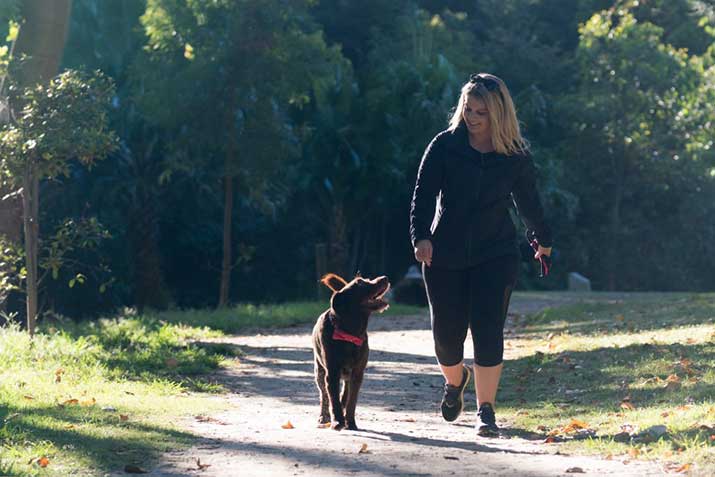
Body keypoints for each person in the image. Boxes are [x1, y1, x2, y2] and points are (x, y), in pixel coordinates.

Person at [409, 73, 552, 437]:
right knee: (446, 335)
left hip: (496, 252)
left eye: (481, 112)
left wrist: (542, 240)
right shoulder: (444, 146)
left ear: (498, 115)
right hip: (445, 254)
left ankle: (485, 410)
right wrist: (421, 236)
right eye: (468, 109)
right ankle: (455, 381)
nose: (471, 117)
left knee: (488, 330)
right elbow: (423, 195)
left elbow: (529, 204)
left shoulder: (514, 156)